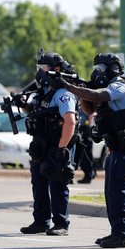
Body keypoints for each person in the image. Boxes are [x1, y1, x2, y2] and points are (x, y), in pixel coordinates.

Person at [52, 53, 125, 248]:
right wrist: (82, 89)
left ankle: (123, 235)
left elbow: (97, 96)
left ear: (112, 68)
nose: (96, 73)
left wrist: (68, 86)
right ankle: (117, 232)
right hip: (114, 147)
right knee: (110, 192)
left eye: (100, 69)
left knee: (118, 192)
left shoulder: (119, 86)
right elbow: (90, 109)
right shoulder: (108, 87)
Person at [18, 51, 77, 236]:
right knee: (38, 182)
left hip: (58, 143)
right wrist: (22, 104)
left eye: (43, 68)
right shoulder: (42, 93)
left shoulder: (63, 93)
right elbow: (33, 113)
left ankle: (61, 223)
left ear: (56, 69)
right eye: (39, 68)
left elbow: (70, 121)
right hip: (41, 144)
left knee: (57, 182)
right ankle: (41, 221)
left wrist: (62, 148)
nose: (39, 72)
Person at [76, 107, 96, 184]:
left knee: (86, 154)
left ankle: (89, 175)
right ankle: (88, 174)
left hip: (86, 129)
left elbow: (92, 114)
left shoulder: (87, 99)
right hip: (81, 129)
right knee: (81, 154)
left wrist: (89, 126)